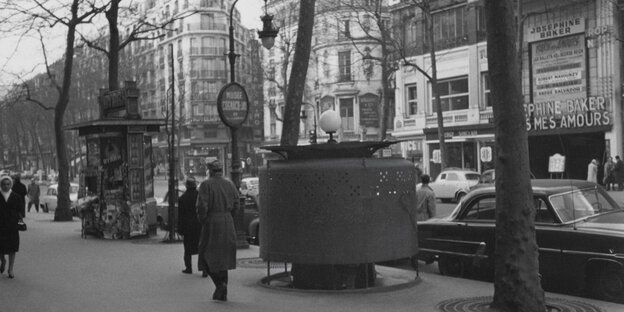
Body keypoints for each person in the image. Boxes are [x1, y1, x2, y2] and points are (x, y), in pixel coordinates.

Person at [196, 160, 239, 301]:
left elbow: (202, 206)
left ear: (210, 171)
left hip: (212, 223)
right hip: (228, 223)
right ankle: (223, 289)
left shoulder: (206, 185)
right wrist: (229, 217)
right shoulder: (230, 184)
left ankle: (220, 285)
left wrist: (203, 220)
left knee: (206, 256)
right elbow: (237, 203)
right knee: (224, 259)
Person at [0, 176, 24, 278]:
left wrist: (19, 219)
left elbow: (20, 210)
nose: (6, 186)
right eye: (4, 184)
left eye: (8, 184)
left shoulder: (16, 197)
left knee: (12, 248)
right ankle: (3, 260)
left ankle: (11, 269)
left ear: (11, 185)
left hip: (12, 225)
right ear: (1, 185)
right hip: (0, 225)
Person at [177, 176, 201, 275]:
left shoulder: (182, 198)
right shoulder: (200, 196)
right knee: (201, 247)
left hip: (188, 226)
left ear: (186, 186)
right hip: (199, 225)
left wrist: (180, 229)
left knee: (187, 248)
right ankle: (204, 269)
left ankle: (189, 268)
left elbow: (180, 215)